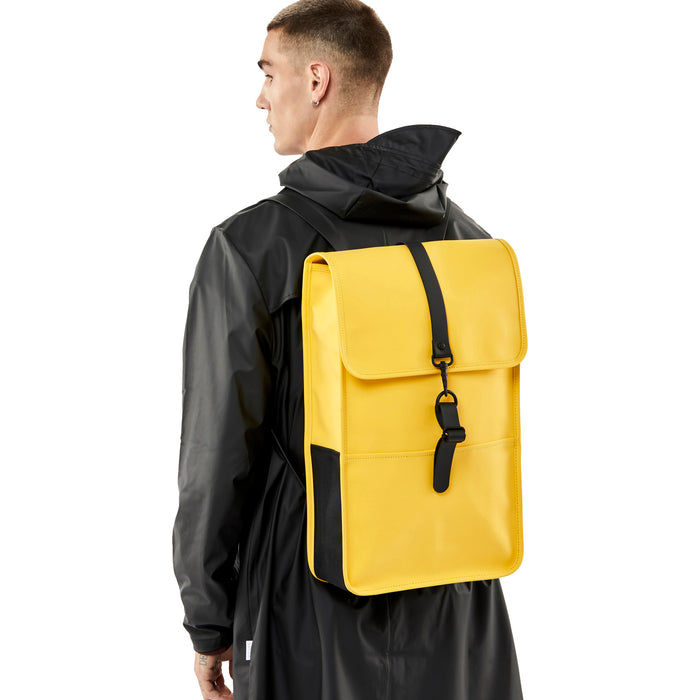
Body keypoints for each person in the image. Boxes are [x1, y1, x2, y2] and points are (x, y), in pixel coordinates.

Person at [173, 1, 524, 698]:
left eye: (268, 73)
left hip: (305, 600)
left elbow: (216, 457)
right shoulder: (472, 242)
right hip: (458, 593)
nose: (260, 98)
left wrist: (208, 621)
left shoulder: (250, 248)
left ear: (316, 80)